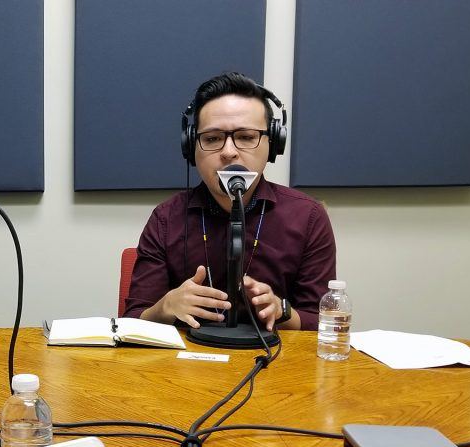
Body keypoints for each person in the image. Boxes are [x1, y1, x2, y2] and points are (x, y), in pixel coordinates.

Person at [123, 72, 336, 332]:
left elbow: (323, 323)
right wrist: (165, 307)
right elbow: (132, 320)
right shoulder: (166, 219)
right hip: (185, 367)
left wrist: (281, 312)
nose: (228, 152)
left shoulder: (307, 217)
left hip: (275, 366)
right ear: (191, 147)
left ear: (273, 144)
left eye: (246, 137)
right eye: (212, 139)